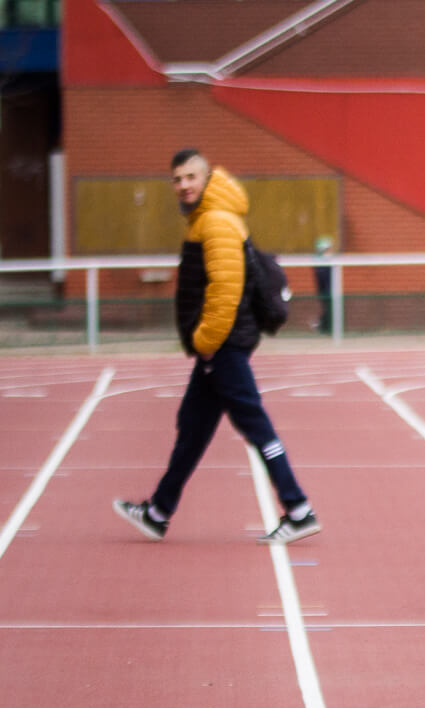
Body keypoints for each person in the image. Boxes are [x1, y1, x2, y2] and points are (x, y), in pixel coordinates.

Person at [114, 149, 320, 546]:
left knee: (255, 425)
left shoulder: (216, 221)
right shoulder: (206, 218)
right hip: (219, 346)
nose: (183, 185)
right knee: (192, 427)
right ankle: (158, 512)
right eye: (177, 179)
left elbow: (226, 290)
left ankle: (298, 510)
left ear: (207, 178)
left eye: (190, 177)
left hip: (223, 346)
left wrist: (205, 344)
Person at [311, 235, 333, 334]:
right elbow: (322, 278)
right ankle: (323, 326)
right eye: (327, 249)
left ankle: (324, 326)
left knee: (329, 309)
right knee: (328, 309)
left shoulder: (328, 261)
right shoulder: (320, 264)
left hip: (329, 290)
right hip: (325, 291)